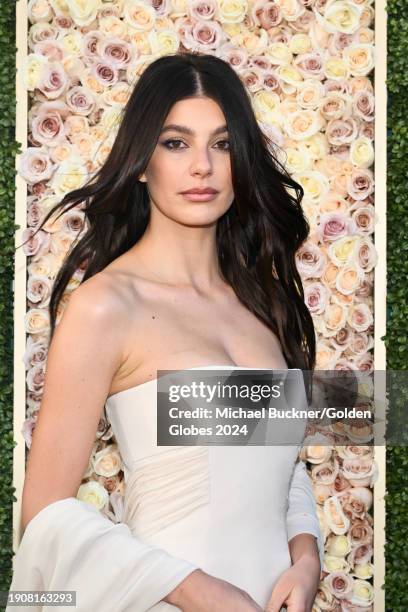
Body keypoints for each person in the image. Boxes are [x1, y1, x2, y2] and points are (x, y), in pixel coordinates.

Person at [9, 52, 324, 612]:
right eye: (175, 143)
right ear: (140, 161)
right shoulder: (107, 306)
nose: (202, 166)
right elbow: (45, 513)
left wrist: (306, 558)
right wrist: (199, 590)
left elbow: (279, 466)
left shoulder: (262, 303)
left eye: (223, 144)